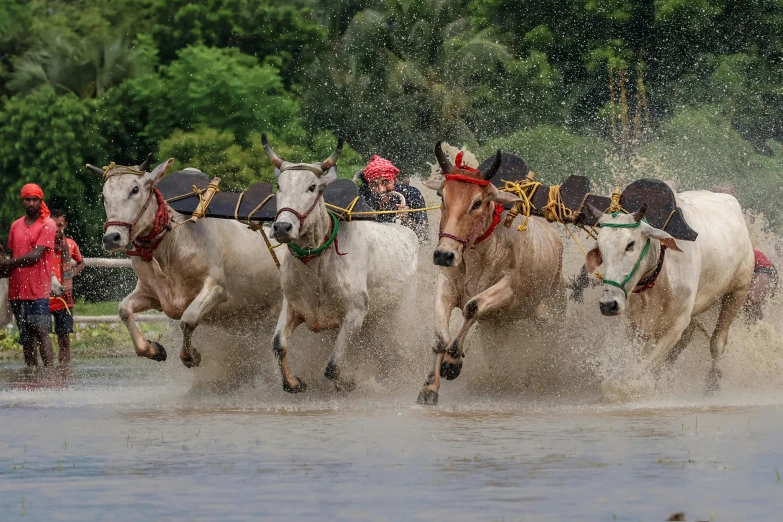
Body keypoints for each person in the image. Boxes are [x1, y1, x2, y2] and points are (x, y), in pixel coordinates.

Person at [1, 184, 57, 367]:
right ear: (23, 201)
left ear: (41, 201)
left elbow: (35, 256)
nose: (31, 203)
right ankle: (31, 373)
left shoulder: (48, 224)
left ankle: (49, 373)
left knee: (41, 330)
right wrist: (4, 266)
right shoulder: (16, 225)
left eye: (35, 199)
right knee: (25, 333)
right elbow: (12, 254)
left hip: (38, 288)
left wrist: (9, 263)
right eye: (28, 199)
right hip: (17, 288)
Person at [357, 155, 429, 243]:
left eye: (385, 182)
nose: (381, 190)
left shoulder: (412, 194)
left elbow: (424, 237)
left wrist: (406, 220)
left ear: (393, 180)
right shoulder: (361, 196)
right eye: (373, 185)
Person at [49, 209, 85, 365]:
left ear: (65, 225)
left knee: (64, 338)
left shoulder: (70, 244)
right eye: (53, 225)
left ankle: (64, 371)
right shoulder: (42, 245)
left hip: (64, 299)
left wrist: (69, 276)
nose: (56, 229)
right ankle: (43, 374)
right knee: (40, 336)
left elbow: (81, 263)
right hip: (43, 299)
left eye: (60, 225)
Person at [744, 248, 778, 322]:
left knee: (751, 297)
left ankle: (760, 327)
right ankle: (752, 327)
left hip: (765, 268)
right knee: (747, 304)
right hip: (757, 270)